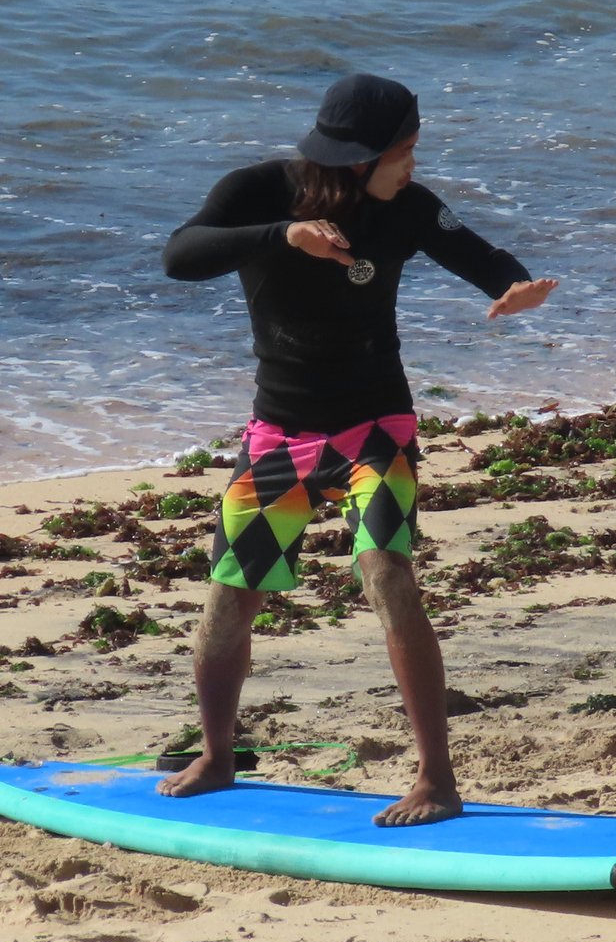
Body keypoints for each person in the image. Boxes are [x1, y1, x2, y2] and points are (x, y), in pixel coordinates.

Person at [159, 74, 559, 825]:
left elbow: (473, 252)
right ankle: (216, 753)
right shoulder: (259, 191)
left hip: (378, 429)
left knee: (385, 571)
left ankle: (436, 778)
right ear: (357, 157)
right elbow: (180, 256)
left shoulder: (404, 207)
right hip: (280, 433)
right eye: (403, 151)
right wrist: (285, 236)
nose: (412, 164)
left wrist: (512, 286)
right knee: (229, 596)